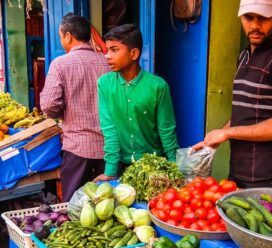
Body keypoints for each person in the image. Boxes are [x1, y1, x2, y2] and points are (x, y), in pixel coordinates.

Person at [192, 0, 272, 188]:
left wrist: (227, 133)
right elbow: (245, 113)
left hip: (269, 178)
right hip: (239, 172)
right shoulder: (244, 56)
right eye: (249, 17)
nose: (255, 25)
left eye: (263, 18)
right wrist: (214, 138)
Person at [94, 24, 179, 182]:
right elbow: (109, 130)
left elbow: (167, 132)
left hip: (154, 167)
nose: (107, 56)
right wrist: (110, 171)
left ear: (134, 53)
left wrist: (176, 169)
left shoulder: (158, 87)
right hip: (121, 166)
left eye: (114, 49)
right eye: (107, 50)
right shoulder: (104, 84)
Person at [40, 13, 109, 202]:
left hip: (78, 148)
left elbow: (49, 105)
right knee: (107, 205)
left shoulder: (61, 64)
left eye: (61, 36)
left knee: (74, 205)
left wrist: (62, 113)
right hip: (109, 149)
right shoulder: (107, 62)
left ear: (68, 36)